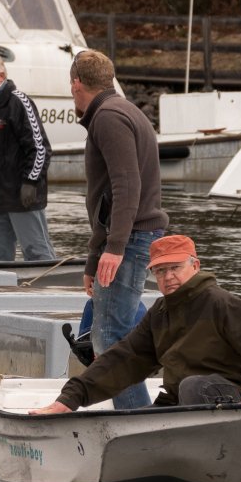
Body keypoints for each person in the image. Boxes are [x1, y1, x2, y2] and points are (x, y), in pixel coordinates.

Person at [32, 235, 241, 414]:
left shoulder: (222, 303)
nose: (168, 277)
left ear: (195, 266)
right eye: (160, 270)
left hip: (240, 402)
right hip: (182, 404)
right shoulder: (160, 313)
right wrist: (70, 398)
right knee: (131, 425)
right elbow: (124, 359)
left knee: (192, 386)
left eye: (175, 268)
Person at [70, 49, 169, 409]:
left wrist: (113, 248)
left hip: (132, 239)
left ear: (76, 83)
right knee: (122, 326)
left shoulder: (109, 117)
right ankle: (175, 353)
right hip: (130, 237)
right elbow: (107, 201)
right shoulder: (119, 110)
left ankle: (137, 420)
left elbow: (127, 186)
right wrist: (93, 260)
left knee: (109, 339)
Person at [0, 52, 56, 262]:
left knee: (37, 252)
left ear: (1, 75)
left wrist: (31, 182)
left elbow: (40, 148)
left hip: (21, 197)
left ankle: (50, 289)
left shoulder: (19, 102)